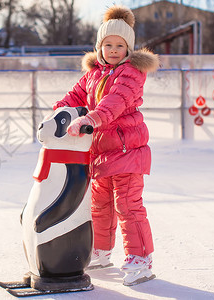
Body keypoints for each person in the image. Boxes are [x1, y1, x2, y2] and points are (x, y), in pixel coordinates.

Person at [52, 5, 159, 286]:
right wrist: (58, 113)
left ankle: (140, 260)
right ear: (99, 47)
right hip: (99, 153)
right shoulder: (94, 74)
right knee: (99, 206)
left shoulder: (132, 73)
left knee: (128, 206)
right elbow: (74, 95)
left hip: (127, 151)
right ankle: (101, 252)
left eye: (120, 45)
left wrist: (91, 119)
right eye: (108, 44)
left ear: (129, 48)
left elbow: (115, 103)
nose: (113, 50)